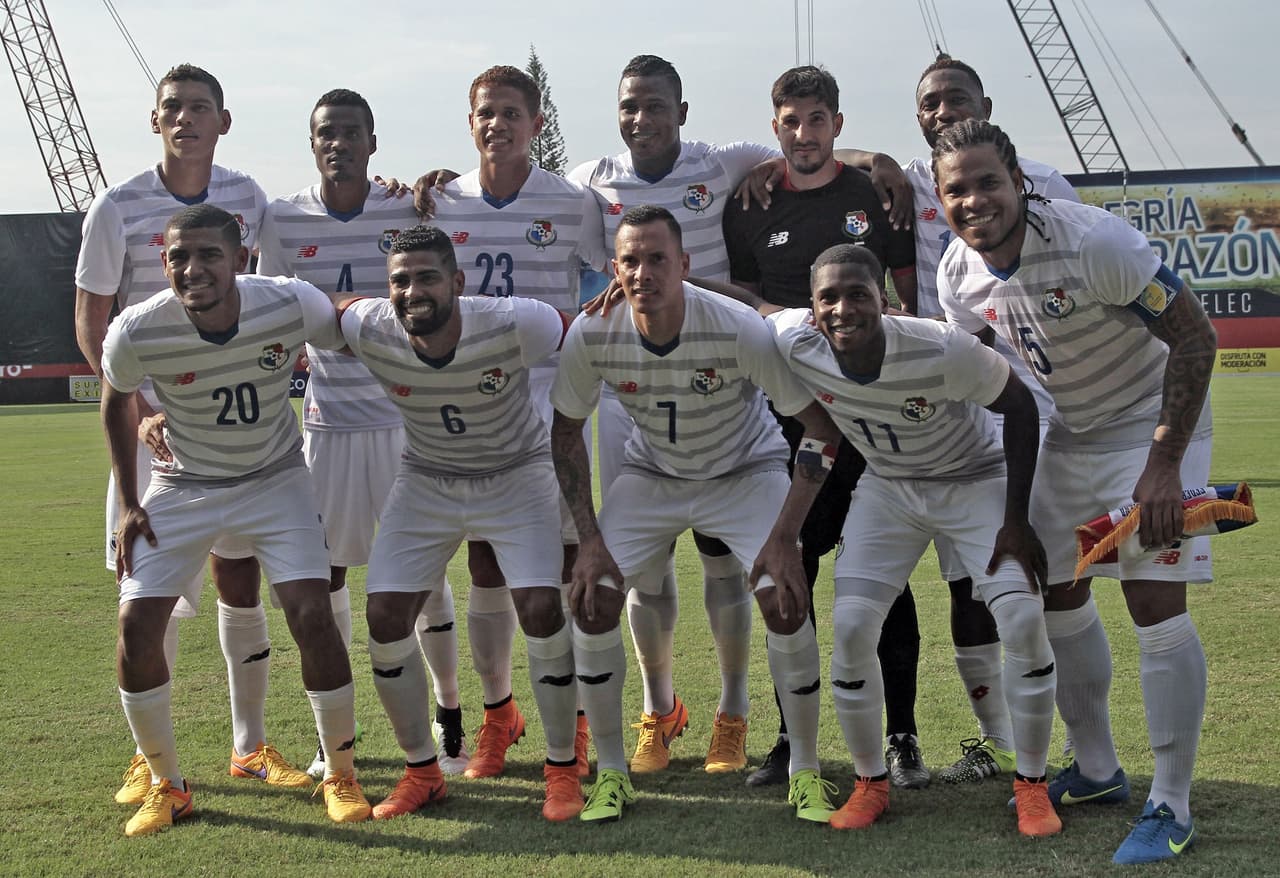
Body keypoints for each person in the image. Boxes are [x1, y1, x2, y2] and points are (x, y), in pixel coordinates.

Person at [934, 119, 1216, 864]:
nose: (975, 200)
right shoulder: (955, 273)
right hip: (1066, 431)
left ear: (1019, 181)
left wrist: (1164, 465)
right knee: (1054, 594)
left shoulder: (1097, 243)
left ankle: (1172, 803)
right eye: (957, 189)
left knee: (1153, 602)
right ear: (940, 197)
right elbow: (985, 383)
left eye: (988, 182)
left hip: (1151, 424)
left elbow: (1195, 338)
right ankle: (1096, 769)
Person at [550, 205, 844, 824]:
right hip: (654, 475)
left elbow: (821, 430)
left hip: (745, 471)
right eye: (630, 261)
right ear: (614, 270)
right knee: (593, 597)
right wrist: (590, 540)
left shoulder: (737, 327)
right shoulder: (593, 331)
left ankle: (806, 771)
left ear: (684, 265)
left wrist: (786, 537)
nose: (643, 273)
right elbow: (566, 432)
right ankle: (611, 773)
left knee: (784, 598)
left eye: (658, 259)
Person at [72, 63, 312, 806]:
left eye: (200, 107)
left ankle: (249, 746)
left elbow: (275, 288)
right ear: (155, 120)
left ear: (222, 121)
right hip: (156, 429)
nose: (185, 119)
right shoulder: (116, 205)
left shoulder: (248, 197)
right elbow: (92, 320)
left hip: (236, 434)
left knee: (240, 580)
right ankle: (151, 761)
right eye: (172, 107)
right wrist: (142, 409)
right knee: (150, 596)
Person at [845, 55, 1084, 786]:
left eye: (956, 97)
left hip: (1035, 399)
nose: (943, 110)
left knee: (1042, 579)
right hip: (944, 400)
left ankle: (1078, 747)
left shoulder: (1042, 179)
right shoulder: (911, 179)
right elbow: (815, 150)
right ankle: (999, 740)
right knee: (965, 581)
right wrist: (875, 157)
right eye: (930, 102)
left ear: (987, 104)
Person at [766, 243, 1060, 836]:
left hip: (974, 480)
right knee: (852, 627)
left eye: (857, 294)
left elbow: (1021, 407)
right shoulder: (795, 340)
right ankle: (870, 783)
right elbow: (745, 309)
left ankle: (1032, 787)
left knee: (1023, 619)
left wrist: (1015, 519)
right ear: (812, 308)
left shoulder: (940, 346)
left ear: (884, 298)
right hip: (890, 487)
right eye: (828, 298)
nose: (842, 309)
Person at [100, 204, 370, 836]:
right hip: (183, 484)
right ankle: (167, 784)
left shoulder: (287, 302)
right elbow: (115, 403)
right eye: (178, 257)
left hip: (276, 478)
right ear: (163, 262)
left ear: (241, 260)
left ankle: (341, 773)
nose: (192, 269)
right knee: (136, 625)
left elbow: (345, 321)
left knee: (312, 612)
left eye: (209, 255)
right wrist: (131, 502)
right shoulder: (137, 328)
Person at [566, 53, 783, 777]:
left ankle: (732, 713)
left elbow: (805, 146)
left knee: (723, 562)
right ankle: (660, 712)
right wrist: (435, 187)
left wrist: (880, 167)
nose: (642, 118)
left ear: (681, 112)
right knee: (644, 570)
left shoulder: (721, 162)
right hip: (633, 387)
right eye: (630, 106)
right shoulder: (591, 180)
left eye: (656, 105)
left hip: (715, 375)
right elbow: (528, 202)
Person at [721, 65, 928, 789]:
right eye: (791, 121)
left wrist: (883, 161)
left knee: (884, 576)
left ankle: (902, 735)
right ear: (774, 125)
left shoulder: (873, 192)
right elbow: (745, 301)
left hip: (871, 414)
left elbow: (907, 297)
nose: (804, 134)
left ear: (838, 124)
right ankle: (791, 738)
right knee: (791, 571)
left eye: (817, 120)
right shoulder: (751, 202)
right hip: (789, 418)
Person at [340, 224, 583, 822]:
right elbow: (325, 311)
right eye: (400, 280)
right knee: (384, 615)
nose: (412, 291)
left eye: (427, 277)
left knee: (540, 608)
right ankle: (423, 772)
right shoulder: (369, 325)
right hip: (427, 477)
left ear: (457, 282)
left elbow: (584, 332)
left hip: (516, 472)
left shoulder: (513, 321)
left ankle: (562, 767)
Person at [256, 89, 465, 777]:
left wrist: (441, 180)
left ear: (372, 143)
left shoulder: (405, 208)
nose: (339, 143)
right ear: (312, 143)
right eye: (327, 133)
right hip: (329, 425)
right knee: (327, 576)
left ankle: (450, 713)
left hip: (405, 421)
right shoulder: (283, 219)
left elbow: (448, 229)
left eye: (351, 132)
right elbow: (271, 315)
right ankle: (333, 735)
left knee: (423, 572)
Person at [428, 64, 606, 779]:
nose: (496, 124)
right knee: (486, 563)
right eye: (485, 112)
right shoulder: (441, 202)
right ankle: (499, 714)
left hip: (551, 401)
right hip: (477, 404)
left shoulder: (572, 202)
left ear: (536, 123)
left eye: (511, 112)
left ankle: (578, 722)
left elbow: (609, 280)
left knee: (565, 565)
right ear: (469, 122)